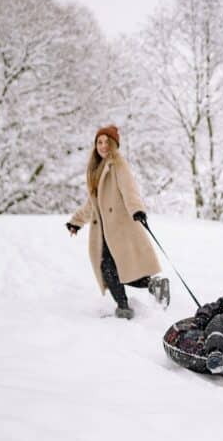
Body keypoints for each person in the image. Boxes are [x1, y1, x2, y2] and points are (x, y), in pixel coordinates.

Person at [66, 125, 169, 319]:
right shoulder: (96, 169)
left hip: (119, 227)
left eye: (107, 142)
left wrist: (137, 209)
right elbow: (92, 203)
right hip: (104, 232)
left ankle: (124, 306)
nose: (103, 146)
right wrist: (77, 222)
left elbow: (129, 189)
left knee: (110, 269)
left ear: (114, 145)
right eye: (99, 142)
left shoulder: (118, 164)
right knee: (114, 270)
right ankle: (150, 286)